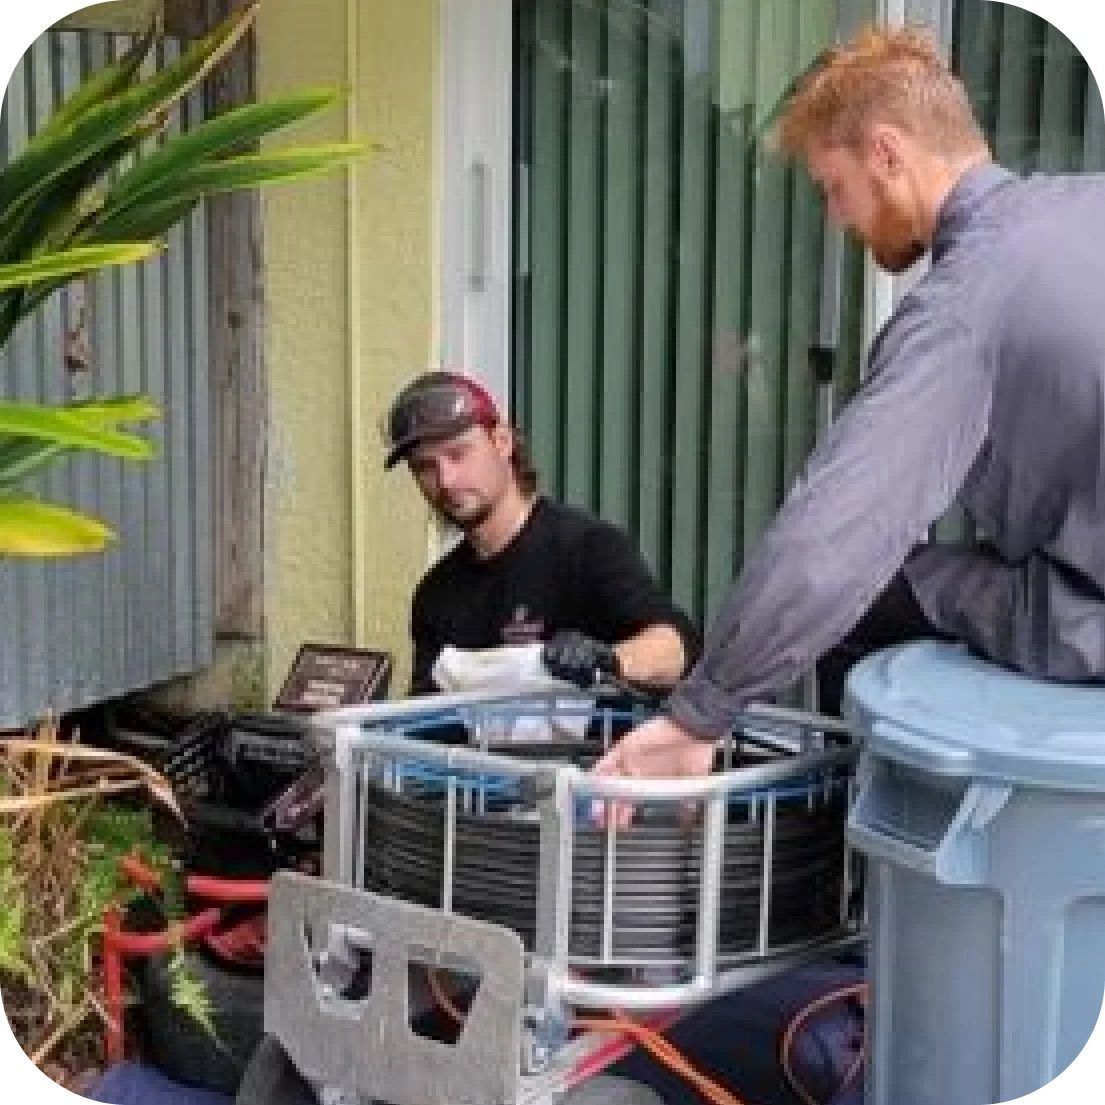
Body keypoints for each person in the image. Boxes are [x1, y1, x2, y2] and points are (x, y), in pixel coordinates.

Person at [594, 24, 1105, 798]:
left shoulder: (963, 305)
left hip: (1088, 618)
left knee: (865, 599)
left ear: (887, 155)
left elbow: (834, 539)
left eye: (834, 188)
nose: (837, 217)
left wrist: (700, 712)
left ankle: (865, 873)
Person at [382, 370, 698, 695]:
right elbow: (420, 717)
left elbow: (676, 645)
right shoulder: (436, 595)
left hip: (595, 745)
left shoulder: (586, 549)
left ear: (502, 442)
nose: (445, 479)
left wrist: (608, 660)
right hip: (469, 748)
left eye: (458, 454)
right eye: (424, 466)